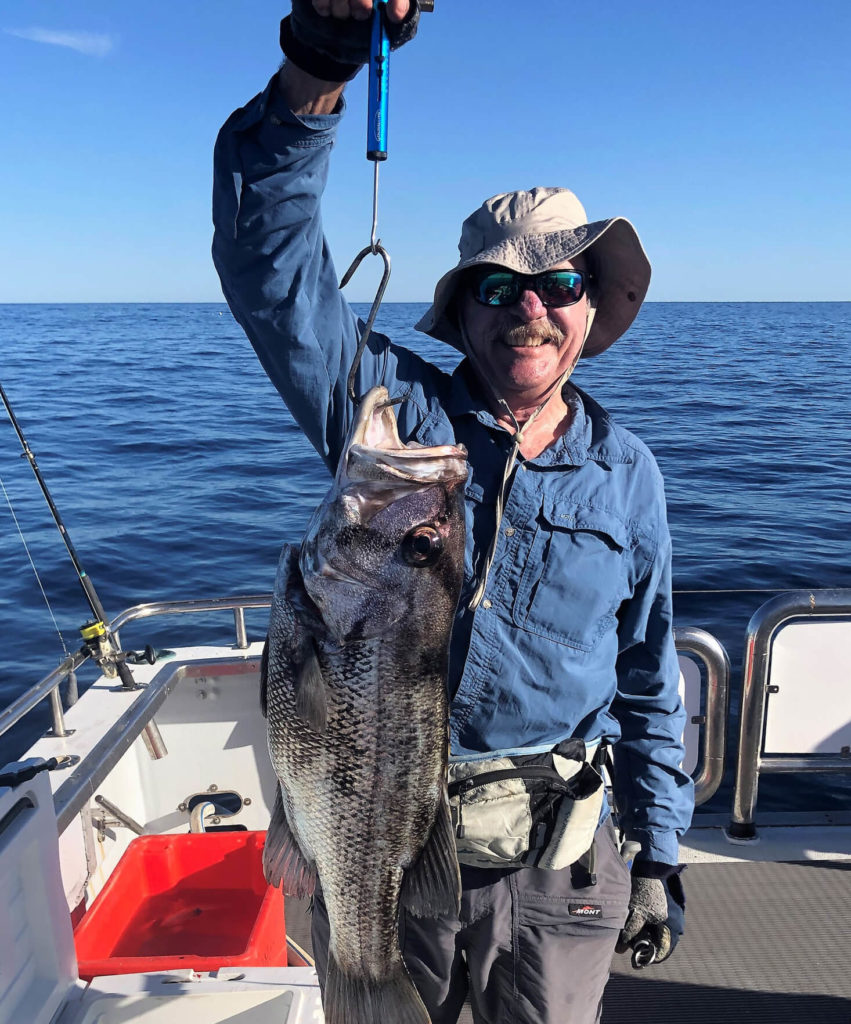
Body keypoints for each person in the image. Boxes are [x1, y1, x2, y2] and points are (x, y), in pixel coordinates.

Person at [213, 2, 694, 1021]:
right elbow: (268, 266)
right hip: (385, 839)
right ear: (461, 309)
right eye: (495, 287)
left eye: (556, 283)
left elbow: (648, 676)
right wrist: (318, 70)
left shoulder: (628, 474)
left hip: (556, 861)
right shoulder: (395, 413)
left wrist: (658, 849)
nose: (528, 308)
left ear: (589, 305)